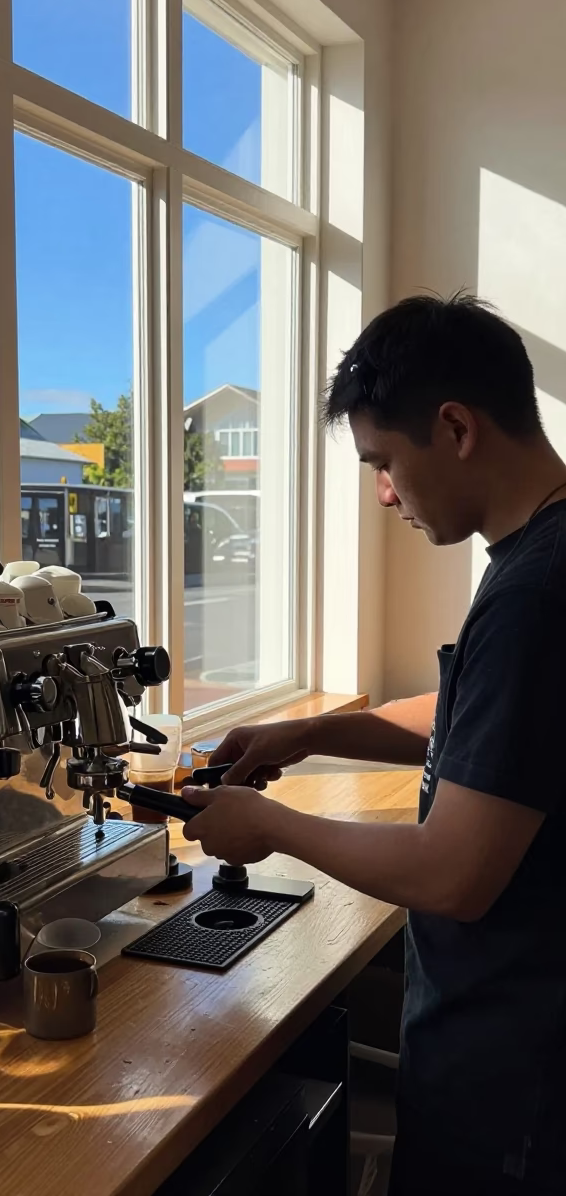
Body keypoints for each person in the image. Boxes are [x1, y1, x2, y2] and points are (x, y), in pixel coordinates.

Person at [181, 293, 566, 1196]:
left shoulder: (538, 593)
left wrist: (268, 825)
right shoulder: (539, 553)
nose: (385, 493)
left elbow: (452, 876)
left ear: (457, 427)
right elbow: (483, 721)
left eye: (384, 462)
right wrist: (315, 729)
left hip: (516, 1081)